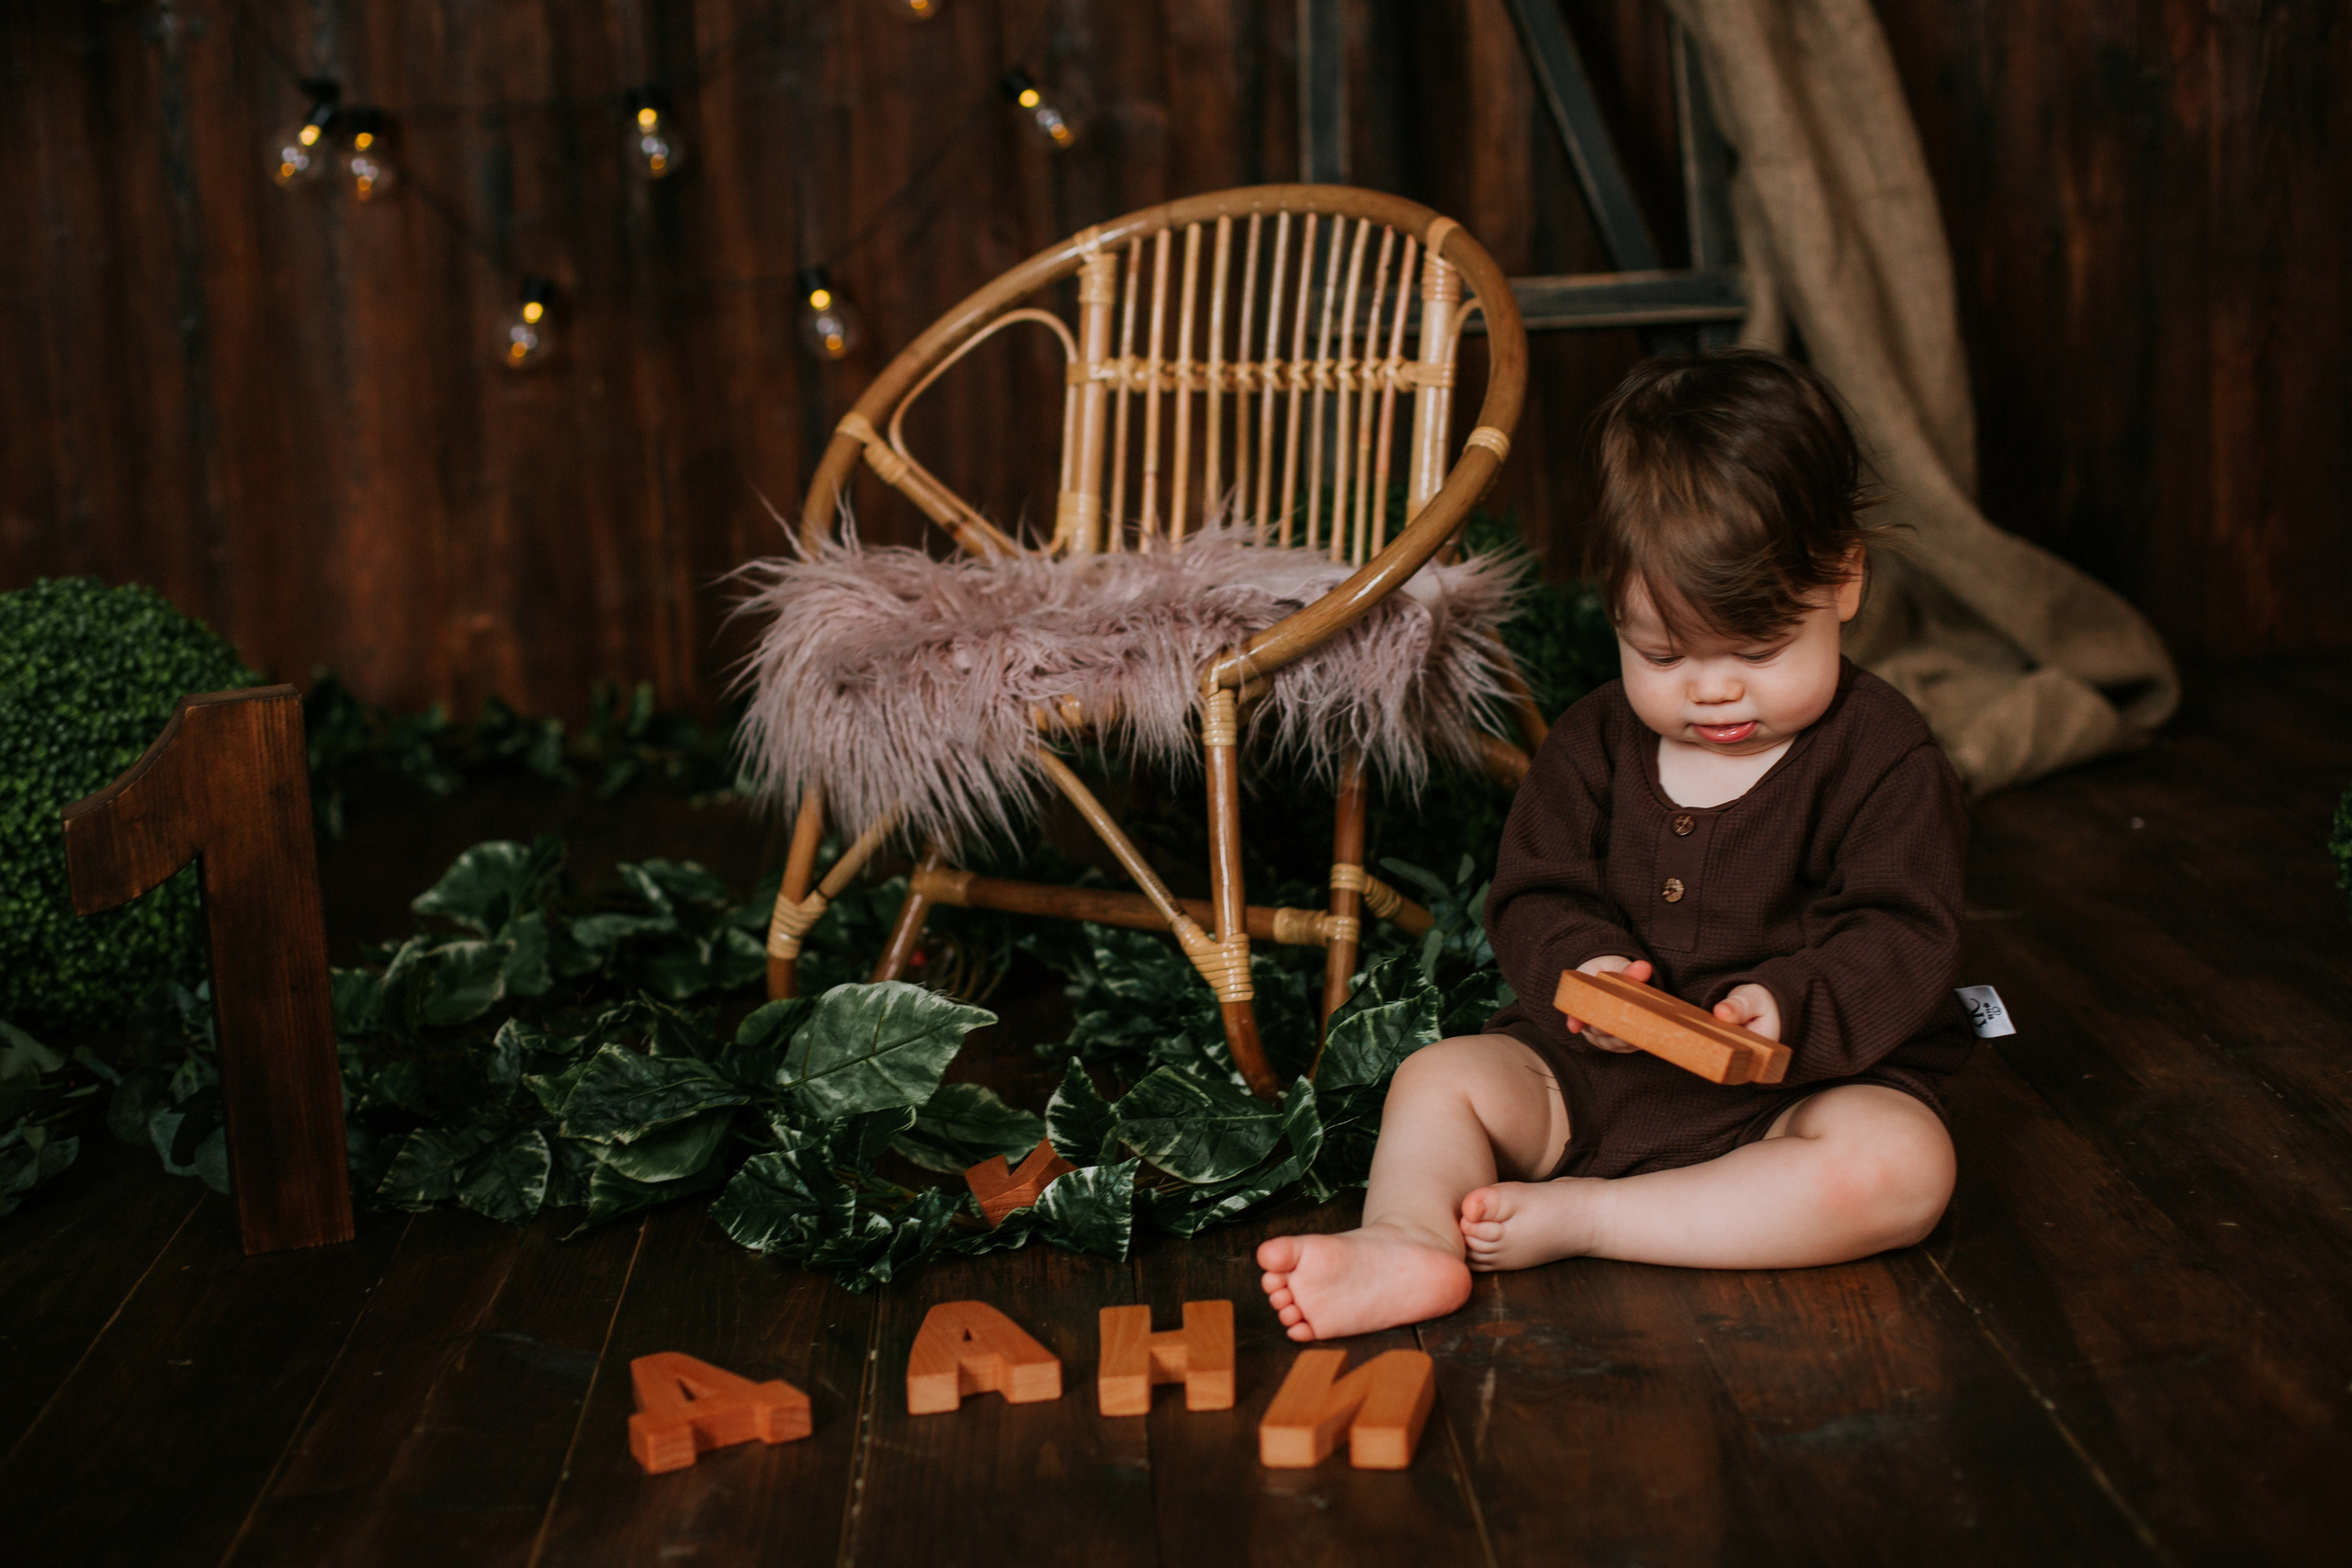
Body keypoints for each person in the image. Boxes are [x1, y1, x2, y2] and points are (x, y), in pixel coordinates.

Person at [1259, 349, 1972, 1343]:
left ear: (1842, 579)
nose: (1712, 691)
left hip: (1795, 1092)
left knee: (1901, 1165)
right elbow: (1535, 891)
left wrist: (1788, 1007)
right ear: (1614, 609)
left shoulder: (1883, 758)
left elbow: (1905, 932)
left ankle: (1594, 1219)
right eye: (1663, 654)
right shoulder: (1595, 742)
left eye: (1757, 653)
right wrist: (1579, 970)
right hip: (1590, 1077)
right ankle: (1408, 1240)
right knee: (1437, 1080)